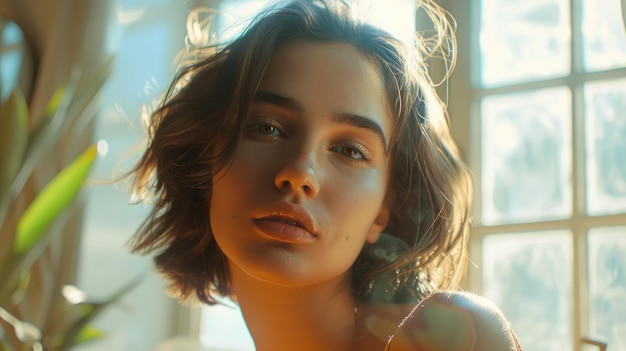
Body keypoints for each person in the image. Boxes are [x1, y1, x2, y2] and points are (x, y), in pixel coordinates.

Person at [128, 0, 523, 350]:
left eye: (349, 151)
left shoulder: (460, 338)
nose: (300, 172)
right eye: (267, 127)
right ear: (204, 159)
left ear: (383, 209)